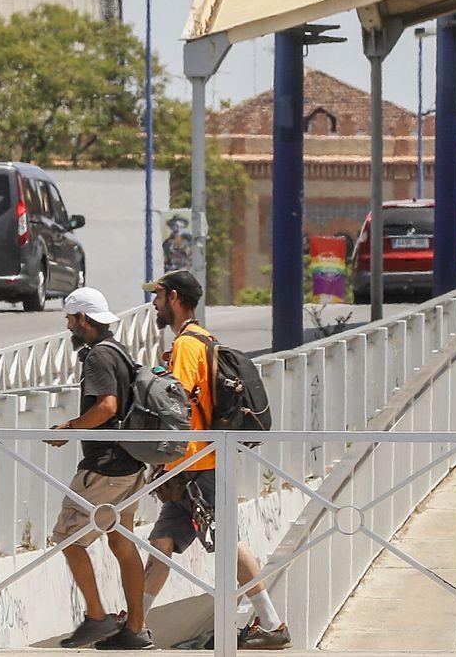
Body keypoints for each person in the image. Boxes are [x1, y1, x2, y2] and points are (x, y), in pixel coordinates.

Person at [140, 271, 291, 650]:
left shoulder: (188, 346)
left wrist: (167, 456)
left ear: (174, 298)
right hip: (195, 461)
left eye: (158, 296)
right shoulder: (204, 339)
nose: (154, 304)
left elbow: (177, 405)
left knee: (227, 540)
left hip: (198, 463)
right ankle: (136, 624)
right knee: (163, 540)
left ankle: (272, 623)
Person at [48, 287, 153, 650]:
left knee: (67, 539)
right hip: (130, 465)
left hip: (105, 467)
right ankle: (135, 628)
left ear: (82, 319)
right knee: (123, 543)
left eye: (70, 319)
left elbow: (107, 406)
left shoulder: (96, 357)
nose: (68, 326)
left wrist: (70, 428)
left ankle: (97, 617)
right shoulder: (122, 352)